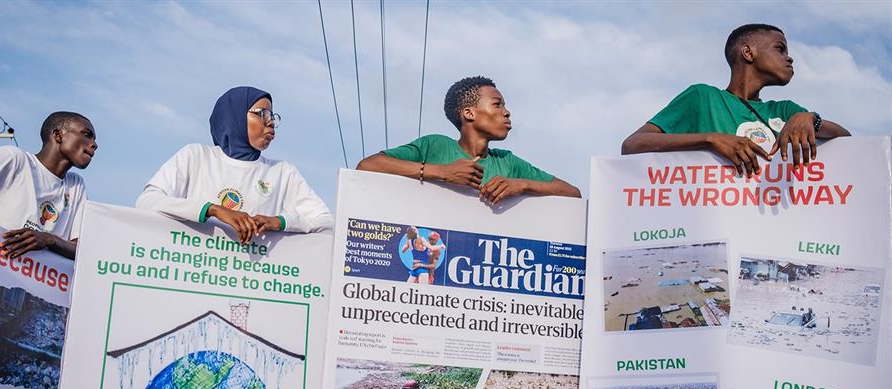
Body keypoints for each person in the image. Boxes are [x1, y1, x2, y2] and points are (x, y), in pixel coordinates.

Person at [621, 24, 849, 176]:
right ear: (748, 53)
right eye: (780, 49)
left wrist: (810, 119)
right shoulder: (703, 97)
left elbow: (848, 142)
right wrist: (711, 139)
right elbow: (632, 145)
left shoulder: (786, 110)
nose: (789, 57)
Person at [136, 86, 332, 243]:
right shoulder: (196, 156)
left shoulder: (282, 172)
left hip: (254, 284)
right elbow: (147, 201)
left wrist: (281, 221)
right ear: (234, 116)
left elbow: (325, 222)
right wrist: (213, 210)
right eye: (262, 114)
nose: (270, 123)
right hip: (195, 276)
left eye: (272, 117)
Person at [357, 76, 580, 205]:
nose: (507, 112)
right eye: (497, 104)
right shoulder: (435, 145)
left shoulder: (507, 162)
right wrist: (442, 172)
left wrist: (521, 184)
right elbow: (367, 166)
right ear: (469, 113)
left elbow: (572, 193)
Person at [0, 111, 96, 259]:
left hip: (31, 279)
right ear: (58, 135)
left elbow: (82, 249)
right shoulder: (15, 160)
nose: (94, 144)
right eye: (87, 135)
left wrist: (49, 240)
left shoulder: (76, 185)